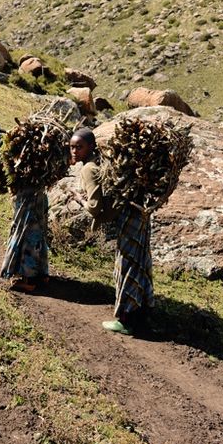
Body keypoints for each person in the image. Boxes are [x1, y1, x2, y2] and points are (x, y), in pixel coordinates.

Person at [71, 128, 153, 336]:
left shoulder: (89, 168)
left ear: (90, 146)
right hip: (138, 213)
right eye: (71, 147)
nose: (74, 151)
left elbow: (95, 206)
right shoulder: (103, 161)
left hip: (126, 218)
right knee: (139, 262)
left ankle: (126, 319)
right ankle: (142, 314)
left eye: (79, 147)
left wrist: (79, 199)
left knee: (126, 265)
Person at [0, 122, 49, 293]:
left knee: (28, 237)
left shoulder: (27, 174)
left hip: (28, 200)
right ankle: (41, 274)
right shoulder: (39, 177)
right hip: (37, 198)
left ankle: (29, 279)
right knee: (38, 234)